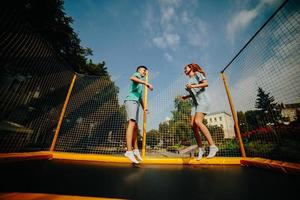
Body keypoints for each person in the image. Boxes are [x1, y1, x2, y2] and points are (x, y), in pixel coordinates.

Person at [181, 63, 219, 160]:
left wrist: (192, 87)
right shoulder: (189, 80)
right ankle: (201, 148)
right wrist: (187, 96)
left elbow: (206, 84)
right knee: (193, 126)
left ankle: (213, 146)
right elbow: (195, 92)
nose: (184, 69)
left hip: (203, 101)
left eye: (186, 68)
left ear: (191, 68)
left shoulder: (197, 74)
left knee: (198, 122)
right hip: (195, 104)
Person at [124, 65, 153, 164]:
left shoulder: (140, 85)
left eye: (146, 71)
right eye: (144, 70)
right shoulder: (137, 75)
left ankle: (135, 149)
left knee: (135, 127)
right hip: (130, 100)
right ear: (139, 70)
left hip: (135, 102)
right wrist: (146, 83)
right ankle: (129, 151)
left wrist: (144, 107)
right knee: (131, 124)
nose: (145, 72)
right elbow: (132, 78)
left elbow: (140, 98)